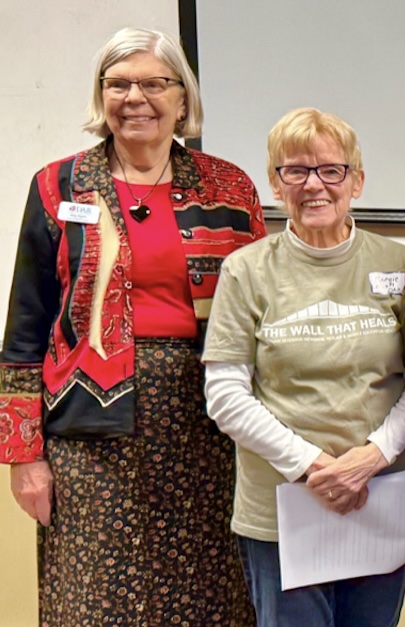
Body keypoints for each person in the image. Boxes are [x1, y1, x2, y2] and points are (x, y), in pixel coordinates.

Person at [0, 27, 263, 624]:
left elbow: (261, 314)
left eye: (153, 83)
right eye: (117, 84)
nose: (135, 97)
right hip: (87, 427)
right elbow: (25, 329)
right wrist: (23, 455)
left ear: (182, 98)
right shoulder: (57, 185)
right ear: (101, 97)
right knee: (91, 597)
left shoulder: (229, 186)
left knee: (209, 592)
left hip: (208, 422)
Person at [202, 107, 405, 626]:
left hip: (382, 494)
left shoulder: (401, 265)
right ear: (274, 180)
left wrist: (369, 459)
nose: (315, 185)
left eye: (331, 170)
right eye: (295, 170)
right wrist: (314, 466)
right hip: (284, 508)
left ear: (356, 180)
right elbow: (225, 395)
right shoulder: (246, 271)